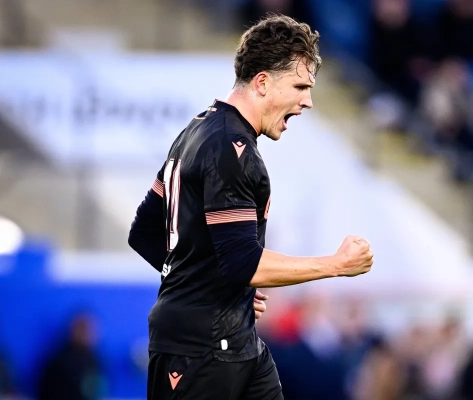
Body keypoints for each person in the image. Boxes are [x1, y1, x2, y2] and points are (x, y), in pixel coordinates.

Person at [128, 14, 374, 400]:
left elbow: (145, 233)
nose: (307, 101)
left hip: (230, 339)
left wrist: (218, 286)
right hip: (203, 348)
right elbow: (245, 263)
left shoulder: (197, 129)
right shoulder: (230, 149)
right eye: (300, 86)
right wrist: (336, 265)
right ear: (262, 82)